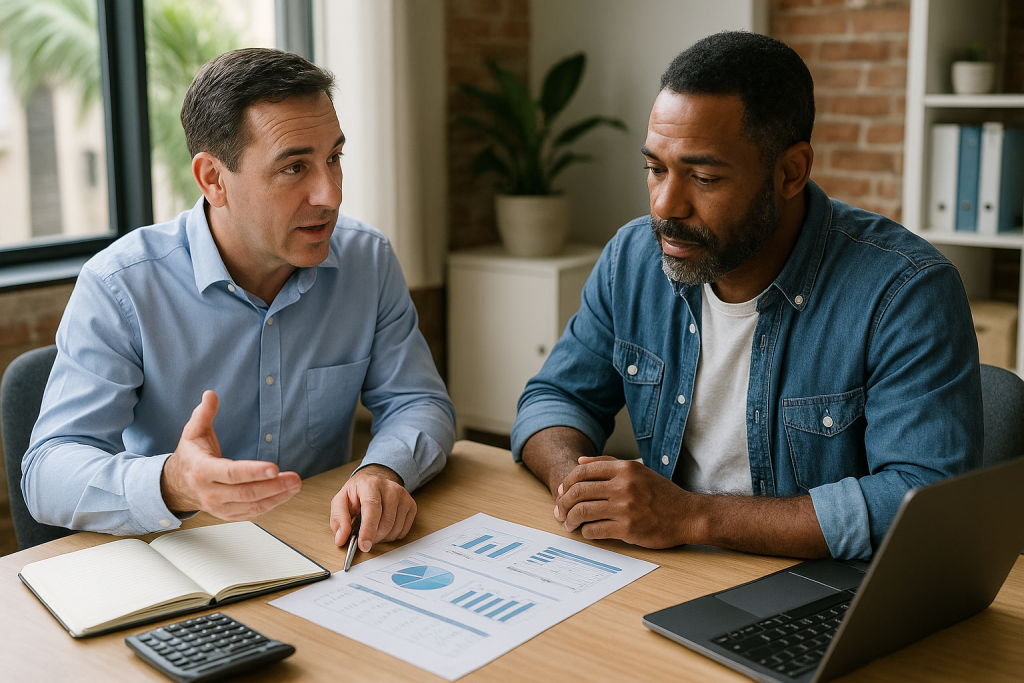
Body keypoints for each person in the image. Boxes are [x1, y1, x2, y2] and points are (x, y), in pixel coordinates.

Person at [511, 31, 982, 561]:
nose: (666, 205)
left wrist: (690, 515)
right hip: (674, 567)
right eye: (654, 168)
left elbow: (921, 500)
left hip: (823, 586)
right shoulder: (632, 259)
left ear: (790, 172)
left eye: (705, 177)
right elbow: (554, 399)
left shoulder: (905, 291)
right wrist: (578, 487)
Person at [23, 48, 455, 553]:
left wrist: (384, 470)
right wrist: (174, 483)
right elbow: (47, 470)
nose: (331, 194)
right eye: (295, 167)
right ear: (213, 179)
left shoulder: (367, 260)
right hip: (186, 561)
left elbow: (418, 401)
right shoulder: (121, 286)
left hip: (324, 552)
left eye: (333, 158)